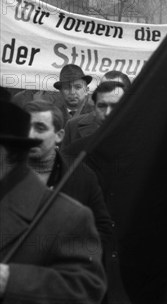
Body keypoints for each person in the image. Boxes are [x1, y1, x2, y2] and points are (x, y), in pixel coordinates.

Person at [0, 101, 106, 303]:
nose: (34, 134)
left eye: (40, 127)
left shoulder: (72, 214)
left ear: (8, 153)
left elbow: (85, 287)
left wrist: (9, 279)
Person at [62, 81, 126, 149]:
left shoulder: (136, 131)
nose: (107, 113)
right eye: (102, 106)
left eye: (115, 106)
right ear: (94, 108)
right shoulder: (72, 127)